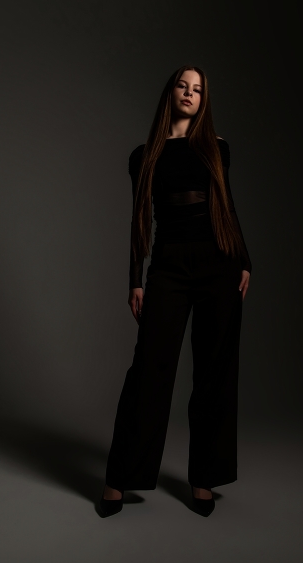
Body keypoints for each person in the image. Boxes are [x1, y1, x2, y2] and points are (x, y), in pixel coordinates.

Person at [99, 65, 252, 517]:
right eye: (183, 86)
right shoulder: (144, 155)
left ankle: (204, 478)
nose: (190, 93)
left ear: (204, 100)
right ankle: (119, 477)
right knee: (149, 370)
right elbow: (139, 219)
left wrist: (245, 260)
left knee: (214, 373)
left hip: (219, 261)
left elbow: (227, 204)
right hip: (168, 267)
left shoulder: (216, 147)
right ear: (171, 93)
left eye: (198, 89)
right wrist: (135, 278)